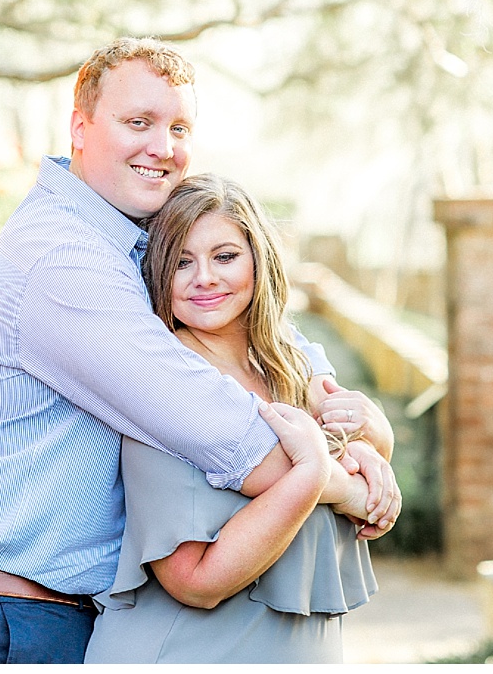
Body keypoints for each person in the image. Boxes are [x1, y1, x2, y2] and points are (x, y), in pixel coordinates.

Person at [0, 38, 398, 664]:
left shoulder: (125, 238)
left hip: (41, 613)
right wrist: (350, 485)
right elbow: (217, 424)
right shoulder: (65, 259)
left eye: (178, 126)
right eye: (138, 123)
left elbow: (263, 328)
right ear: (80, 127)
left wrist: (344, 406)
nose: (163, 147)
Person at [84, 175, 379, 661]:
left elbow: (366, 491)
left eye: (225, 257)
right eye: (182, 261)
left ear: (259, 261)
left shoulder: (291, 369)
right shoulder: (163, 387)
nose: (205, 277)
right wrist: (316, 475)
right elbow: (194, 581)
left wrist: (369, 448)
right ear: (158, 272)